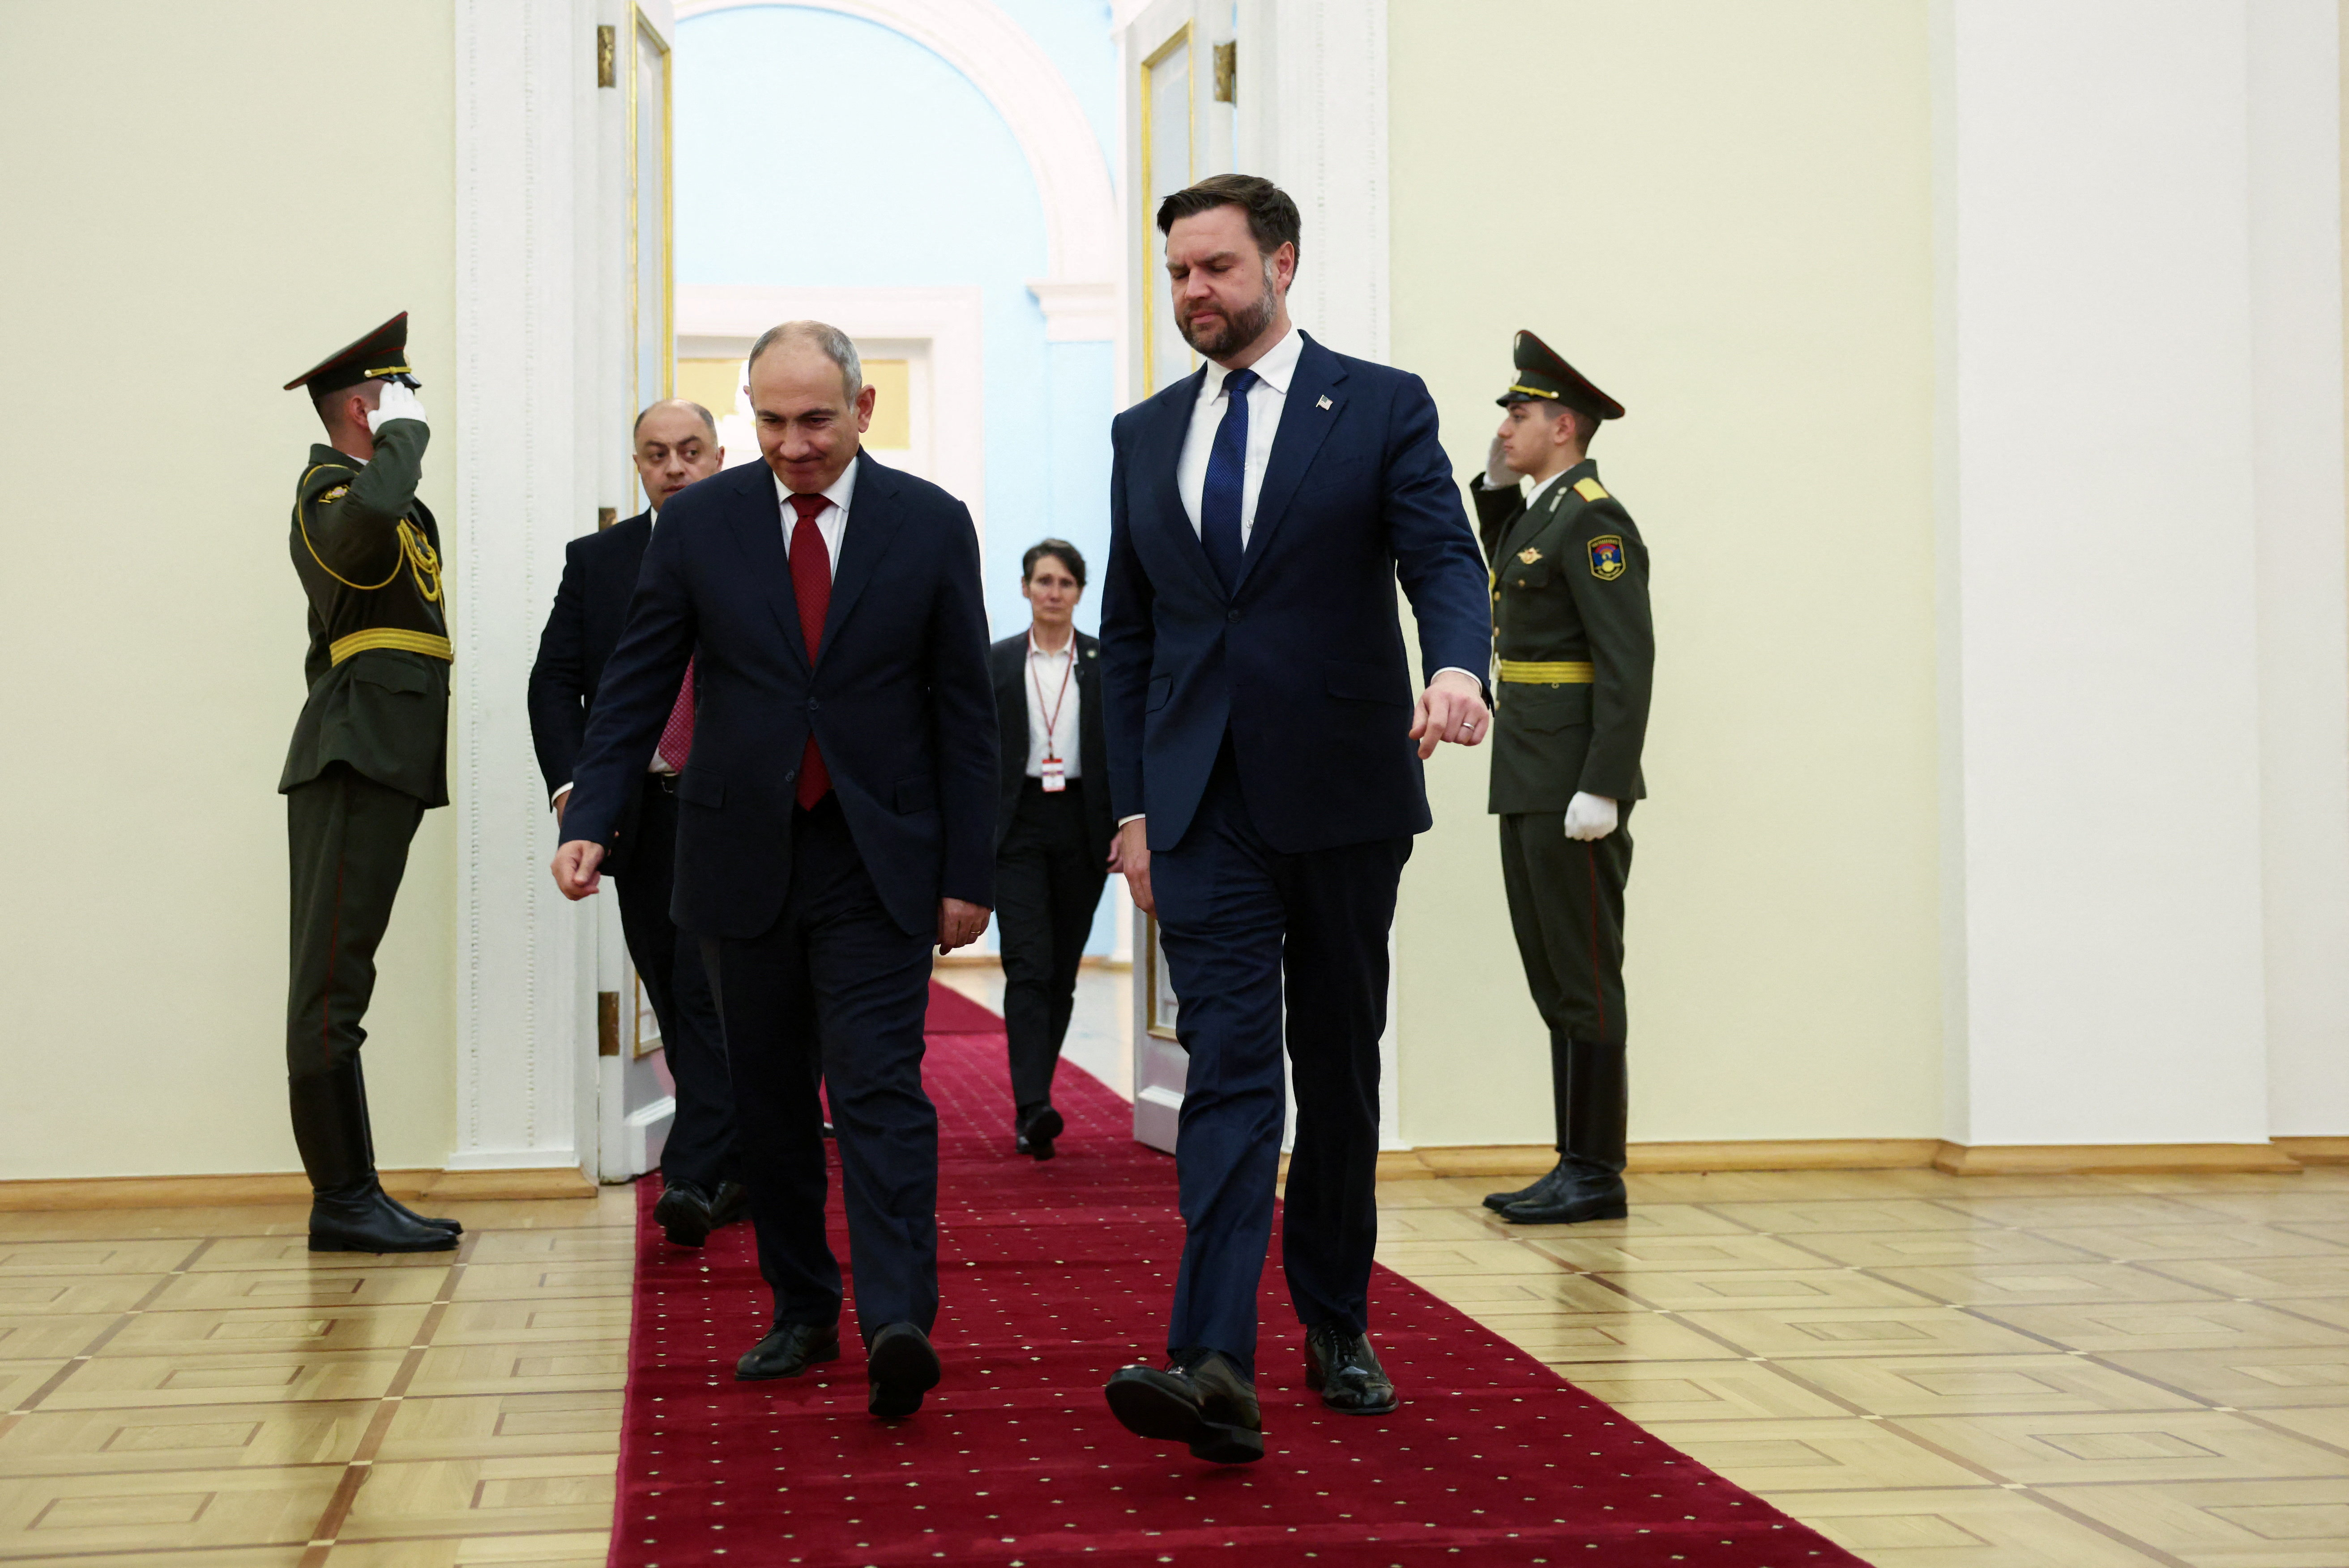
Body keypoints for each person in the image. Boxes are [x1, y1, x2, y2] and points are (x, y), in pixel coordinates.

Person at [1097, 175, 1493, 1462]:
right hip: (1200, 806)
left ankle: (1336, 1319)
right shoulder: (1144, 433)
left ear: (1281, 264)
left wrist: (1457, 666)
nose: (1193, 292)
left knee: (1334, 1063)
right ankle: (1212, 1357)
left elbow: (1441, 557)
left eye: (1215, 267)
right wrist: (1132, 805)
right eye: (1177, 273)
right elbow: (1132, 636)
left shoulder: (1377, 404)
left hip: (1341, 795)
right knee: (1225, 1065)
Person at [549, 321, 995, 1421]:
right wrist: (591, 812)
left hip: (874, 855)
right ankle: (802, 1306)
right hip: (738, 853)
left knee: (880, 1086)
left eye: (816, 420)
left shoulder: (930, 523)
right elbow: (637, 679)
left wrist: (968, 871)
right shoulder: (700, 524)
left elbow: (965, 713)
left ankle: (897, 1320)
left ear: (863, 410)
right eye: (772, 421)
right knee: (768, 1098)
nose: (794, 444)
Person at [528, 399, 745, 1247]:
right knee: (670, 986)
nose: (675, 468)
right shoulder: (599, 561)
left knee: (706, 989)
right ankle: (737, 1162)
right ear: (638, 465)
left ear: (719, 457)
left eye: (691, 451)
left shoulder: (755, 549)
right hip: (642, 816)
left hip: (732, 811)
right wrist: (574, 795)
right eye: (657, 454)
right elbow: (554, 680)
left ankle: (694, 1170)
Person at [278, 311, 460, 1253]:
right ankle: (343, 1199)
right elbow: (359, 543)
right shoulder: (330, 494)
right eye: (401, 393)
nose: (415, 406)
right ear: (365, 408)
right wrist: (406, 439)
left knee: (345, 978)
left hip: (387, 754)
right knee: (331, 984)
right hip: (352, 754)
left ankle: (356, 1194)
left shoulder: (385, 502)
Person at [1466, 331, 1653, 1227]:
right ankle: (1572, 1160)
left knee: (1584, 976)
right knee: (1552, 975)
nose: (1506, 427)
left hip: (1573, 779)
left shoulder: (1596, 522)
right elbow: (1511, 573)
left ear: (1564, 426)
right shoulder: (1546, 513)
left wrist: (1604, 784)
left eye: (1521, 414)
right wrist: (1494, 483)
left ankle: (1596, 1169)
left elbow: (1627, 662)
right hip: (1530, 772)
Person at [989, 540, 1114, 1159]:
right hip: (1017, 825)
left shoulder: (1104, 663)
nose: (1053, 592)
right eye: (1043, 580)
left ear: (1079, 593)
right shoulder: (997, 663)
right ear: (1025, 588)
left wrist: (1125, 824)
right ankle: (1032, 1107)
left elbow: (1125, 750)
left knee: (1061, 971)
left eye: (1065, 582)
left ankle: (1035, 1100)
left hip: (1083, 825)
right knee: (1028, 964)